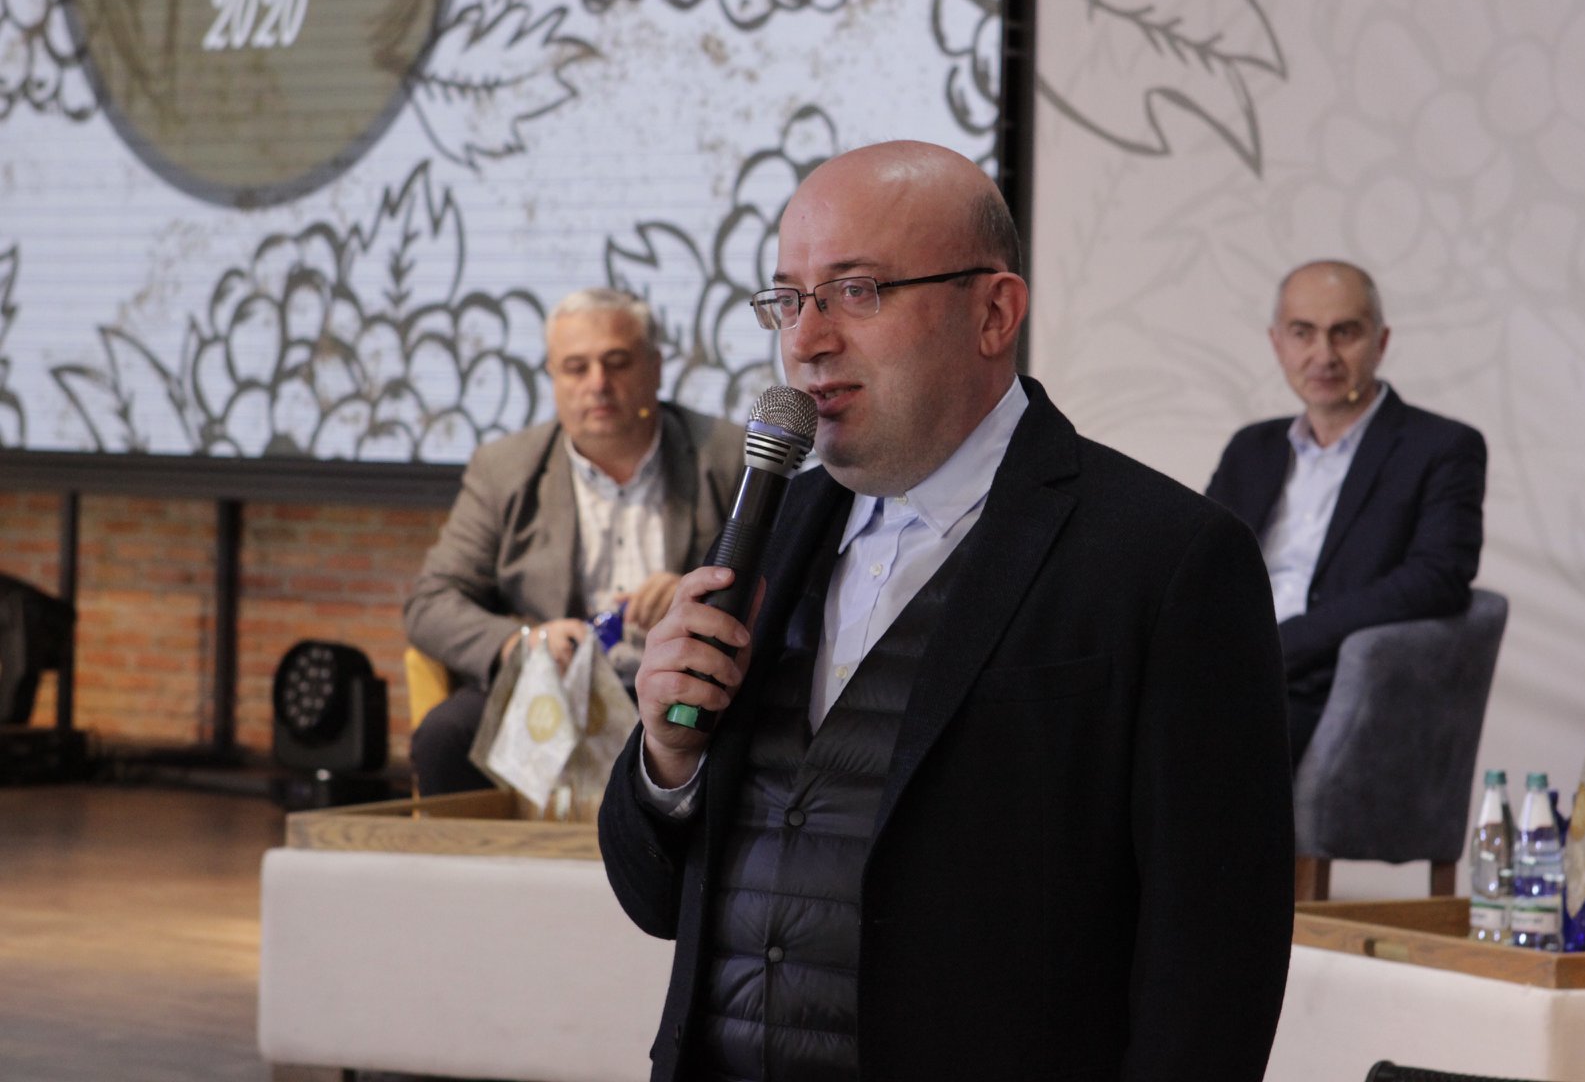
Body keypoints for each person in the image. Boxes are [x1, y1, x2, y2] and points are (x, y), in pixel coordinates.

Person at [598, 142, 1292, 1080]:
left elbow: (1213, 966)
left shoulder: (1166, 562)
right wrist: (668, 761)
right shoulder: (768, 529)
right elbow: (656, 902)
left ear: (994, 313)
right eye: (789, 299)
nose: (806, 340)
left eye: (856, 292)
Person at [404, 287, 746, 795]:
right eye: (576, 368)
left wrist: (696, 599)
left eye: (617, 363)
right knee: (445, 736)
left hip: (680, 687)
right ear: (553, 377)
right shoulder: (505, 469)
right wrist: (522, 641)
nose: (598, 384)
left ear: (655, 368)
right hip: (553, 688)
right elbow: (429, 603)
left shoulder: (727, 456)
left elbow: (785, 586)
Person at [1205, 260, 1488, 765]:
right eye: (1303, 333)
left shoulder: (1441, 447)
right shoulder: (1252, 448)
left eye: (1345, 333)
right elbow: (1200, 561)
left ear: (1380, 342)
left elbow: (1438, 577)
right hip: (1223, 665)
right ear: (1277, 343)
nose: (1323, 355)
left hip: (1330, 688)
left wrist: (1284, 643)